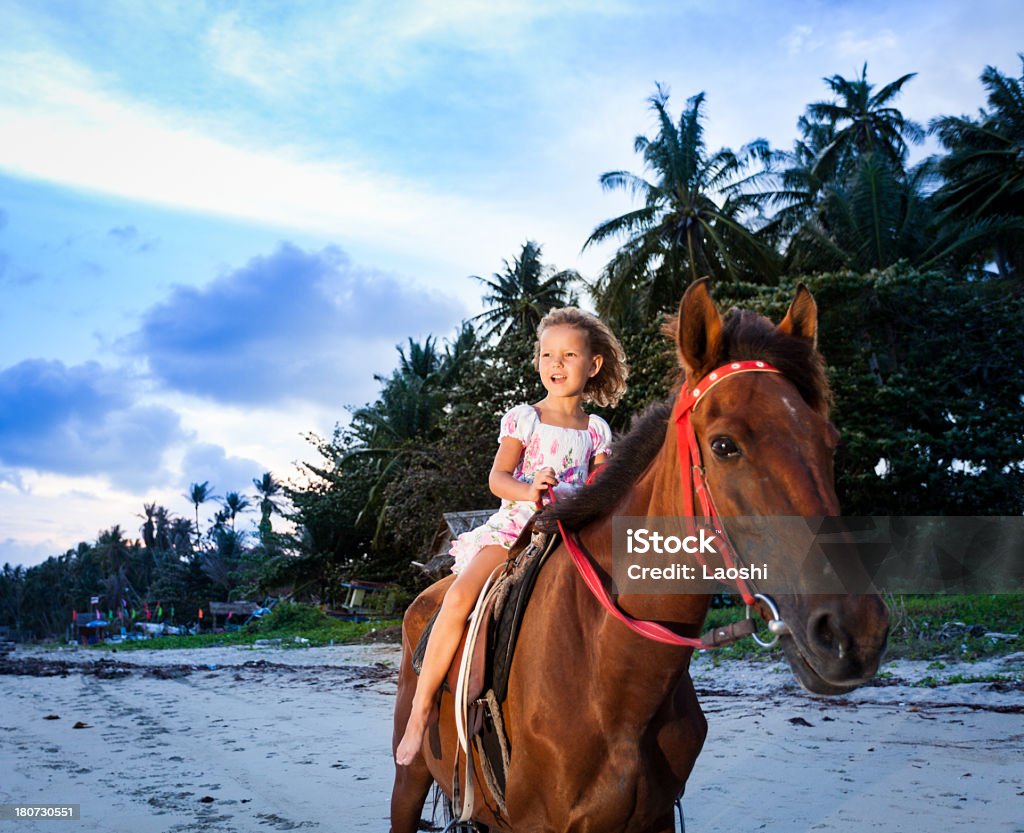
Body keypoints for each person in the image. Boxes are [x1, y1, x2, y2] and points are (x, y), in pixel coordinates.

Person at [395, 307, 628, 766]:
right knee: (460, 597)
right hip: (515, 528)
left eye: (568, 355)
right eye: (547, 355)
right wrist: (530, 489)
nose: (556, 364)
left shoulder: (597, 431)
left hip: (570, 535)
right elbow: (498, 479)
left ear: (593, 365)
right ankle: (421, 710)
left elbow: (603, 490)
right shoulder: (525, 418)